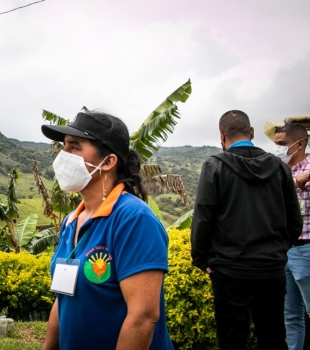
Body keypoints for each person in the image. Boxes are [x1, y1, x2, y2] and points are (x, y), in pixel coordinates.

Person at [41, 110, 174, 350]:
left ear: (109, 161)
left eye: (74, 146)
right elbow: (62, 301)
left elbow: (142, 317)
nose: (63, 155)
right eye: (64, 147)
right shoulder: (72, 221)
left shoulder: (133, 219)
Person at [191, 110, 302, 350]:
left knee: (232, 341)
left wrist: (201, 258)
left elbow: (203, 217)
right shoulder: (279, 167)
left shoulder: (214, 166)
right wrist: (279, 250)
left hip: (229, 271)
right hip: (271, 269)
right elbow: (294, 219)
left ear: (221, 136)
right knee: (273, 337)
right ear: (251, 133)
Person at [274, 123, 310, 350]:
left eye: (281, 144)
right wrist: (296, 182)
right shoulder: (280, 170)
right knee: (291, 317)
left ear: (299, 144)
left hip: (307, 248)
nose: (277, 149)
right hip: (285, 250)